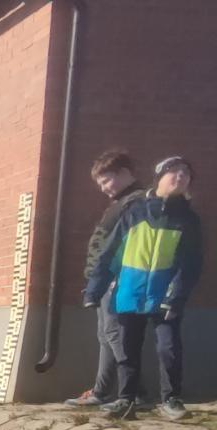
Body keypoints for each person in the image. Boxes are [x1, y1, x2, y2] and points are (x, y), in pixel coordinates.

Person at [84, 156, 204, 421]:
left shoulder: (188, 219)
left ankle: (170, 399)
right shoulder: (135, 211)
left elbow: (191, 264)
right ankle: (126, 400)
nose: (181, 176)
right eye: (174, 171)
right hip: (130, 291)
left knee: (168, 348)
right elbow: (110, 252)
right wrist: (94, 289)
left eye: (186, 173)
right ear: (159, 177)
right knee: (127, 348)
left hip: (165, 296)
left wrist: (176, 296)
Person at [65, 149, 148, 407]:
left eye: (106, 180)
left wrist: (115, 276)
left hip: (117, 279)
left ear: (124, 172)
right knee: (105, 335)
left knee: (115, 334)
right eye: (100, 183)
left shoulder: (137, 202)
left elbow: (130, 243)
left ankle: (135, 393)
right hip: (103, 281)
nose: (103, 188)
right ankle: (102, 391)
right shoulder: (120, 202)